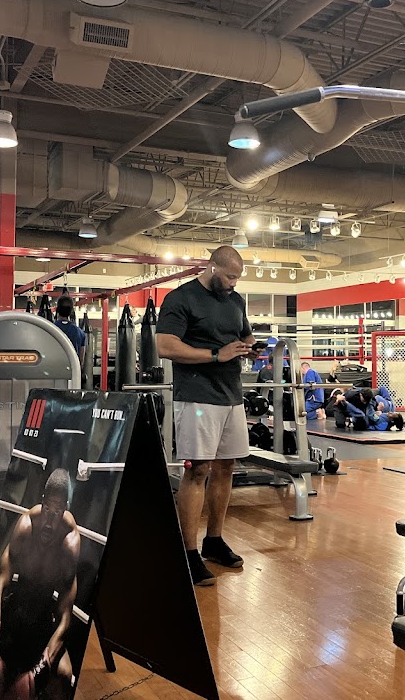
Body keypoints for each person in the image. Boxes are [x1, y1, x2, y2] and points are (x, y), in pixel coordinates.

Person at [156, 246, 258, 587]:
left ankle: (214, 541)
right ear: (212, 267)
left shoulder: (235, 300)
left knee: (226, 466)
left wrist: (250, 345)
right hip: (197, 396)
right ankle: (188, 553)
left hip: (232, 395)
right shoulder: (180, 298)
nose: (233, 283)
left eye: (237, 278)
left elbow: (244, 334)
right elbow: (165, 346)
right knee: (198, 469)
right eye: (229, 277)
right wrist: (217, 354)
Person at [0, 469, 80, 700]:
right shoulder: (27, 526)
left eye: (57, 512)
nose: (49, 523)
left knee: (64, 675)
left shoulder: (69, 544)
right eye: (47, 510)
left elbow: (65, 618)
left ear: (65, 509)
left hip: (43, 619)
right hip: (14, 607)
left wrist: (43, 665)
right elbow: (0, 583)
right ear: (42, 502)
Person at [52, 296, 86, 365]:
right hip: (73, 370)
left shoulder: (50, 329)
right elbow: (81, 361)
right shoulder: (80, 333)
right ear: (71, 311)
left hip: (54, 369)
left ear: (57, 310)